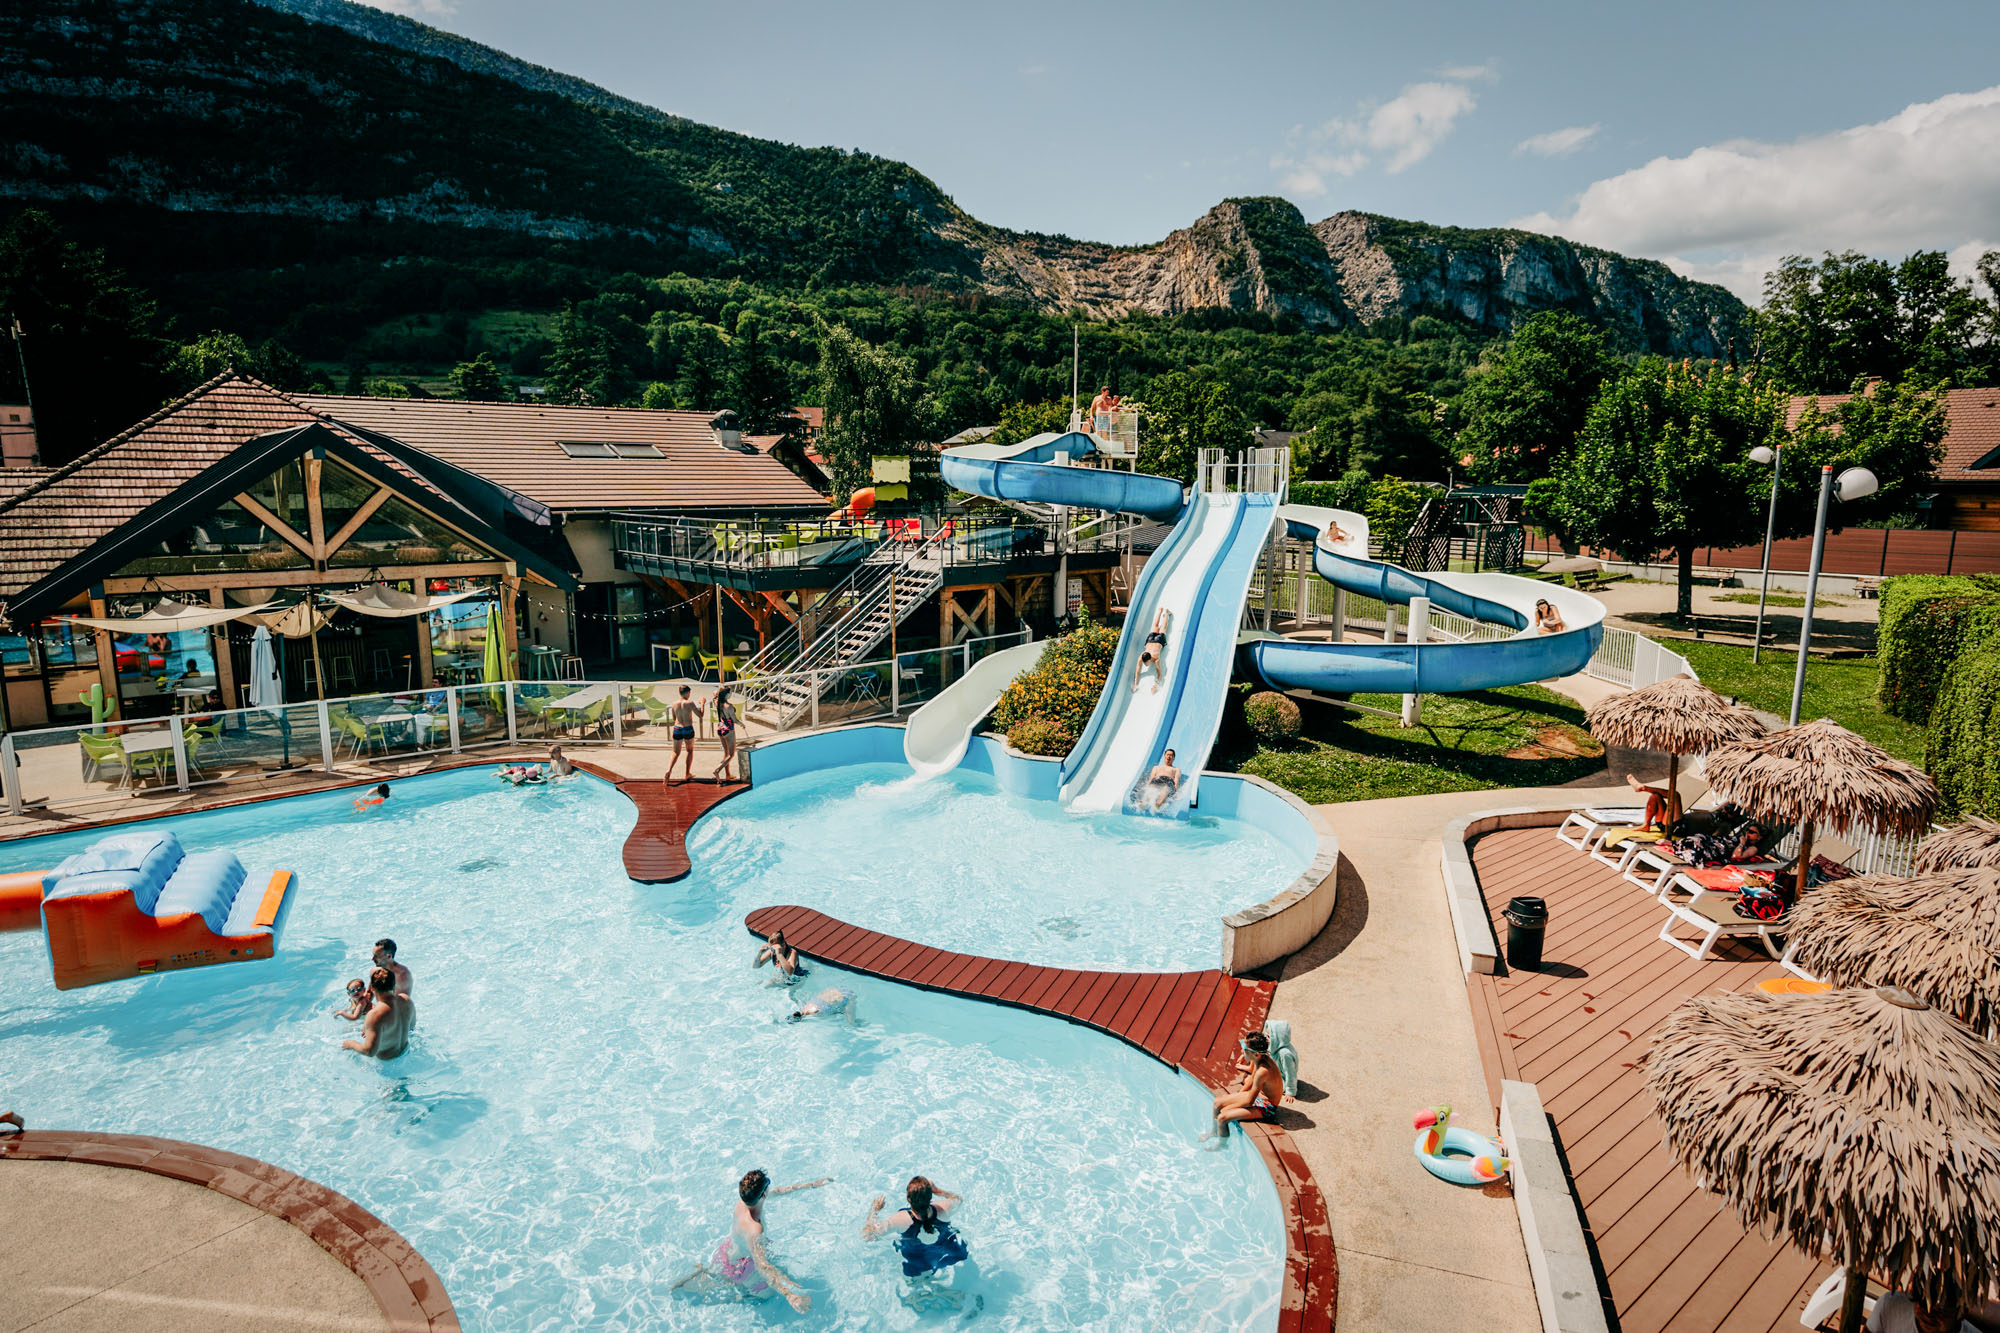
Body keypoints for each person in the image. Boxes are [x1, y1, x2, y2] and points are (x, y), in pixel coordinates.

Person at [671, 1168, 825, 1313]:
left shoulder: (743, 1202)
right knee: (765, 1296)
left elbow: (777, 1192)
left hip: (728, 1252)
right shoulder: (755, 1229)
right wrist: (789, 1294)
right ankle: (735, 1295)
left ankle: (699, 1276)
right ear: (763, 1195)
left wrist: (810, 1185)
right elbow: (762, 1266)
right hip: (743, 1267)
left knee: (721, 1278)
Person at [863, 1176, 969, 1283]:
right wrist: (938, 1190)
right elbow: (958, 1199)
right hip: (948, 1250)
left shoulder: (900, 1219)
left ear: (908, 1199)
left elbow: (867, 1235)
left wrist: (874, 1210)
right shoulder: (943, 1208)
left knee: (911, 1279)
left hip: (919, 1260)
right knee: (959, 1251)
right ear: (930, 1197)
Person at [1206, 1031, 1285, 1140]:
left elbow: (1249, 1101)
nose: (1242, 1051)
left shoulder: (1263, 1071)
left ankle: (1222, 1145)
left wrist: (1228, 1108)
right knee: (1217, 1103)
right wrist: (1240, 1094)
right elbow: (1252, 1078)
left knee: (1222, 1117)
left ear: (1256, 1054)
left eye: (1245, 1050)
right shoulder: (1259, 1059)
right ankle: (1214, 1132)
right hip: (1257, 1096)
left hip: (1267, 1107)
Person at [341, 967, 415, 1060]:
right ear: (394, 985)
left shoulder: (374, 1014)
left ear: (371, 988)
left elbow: (369, 1051)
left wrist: (350, 1044)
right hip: (406, 1052)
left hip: (387, 1063)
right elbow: (411, 1027)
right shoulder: (406, 1000)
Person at [666, 684, 704, 784]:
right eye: (689, 693)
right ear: (687, 693)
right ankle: (687, 773)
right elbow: (700, 715)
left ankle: (668, 770)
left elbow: (674, 719)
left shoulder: (674, 704)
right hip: (688, 729)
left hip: (677, 729)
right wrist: (702, 703)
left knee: (675, 752)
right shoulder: (690, 703)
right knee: (689, 751)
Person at [1132, 608, 1172, 692]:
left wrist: (1156, 685)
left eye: (1145, 663)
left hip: (1159, 640)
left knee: (1163, 628)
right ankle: (1160, 611)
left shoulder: (1156, 659)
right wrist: (1135, 683)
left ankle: (1167, 613)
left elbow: (1159, 673)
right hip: (1150, 640)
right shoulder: (1142, 657)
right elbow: (1138, 670)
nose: (1145, 664)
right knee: (1155, 626)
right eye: (1144, 662)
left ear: (1150, 659)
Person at [710, 686, 739, 783]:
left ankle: (728, 774)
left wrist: (717, 693)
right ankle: (717, 770)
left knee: (726, 753)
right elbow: (734, 719)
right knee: (731, 754)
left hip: (720, 727)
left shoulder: (717, 702)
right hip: (728, 729)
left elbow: (715, 694)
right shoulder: (728, 705)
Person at [788, 987, 857, 1026]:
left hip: (845, 996)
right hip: (835, 990)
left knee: (851, 1022)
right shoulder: (804, 1006)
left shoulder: (817, 1013)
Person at [1141, 749, 1181, 813]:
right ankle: (1144, 802)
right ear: (1164, 756)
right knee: (1152, 786)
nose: (1169, 757)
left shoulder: (1176, 769)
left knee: (1165, 788)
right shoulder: (1156, 767)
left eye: (1171, 755)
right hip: (1157, 779)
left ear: (1173, 758)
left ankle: (1158, 804)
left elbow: (1176, 781)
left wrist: (1175, 792)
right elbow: (1151, 778)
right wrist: (1147, 787)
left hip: (1168, 781)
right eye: (1168, 755)